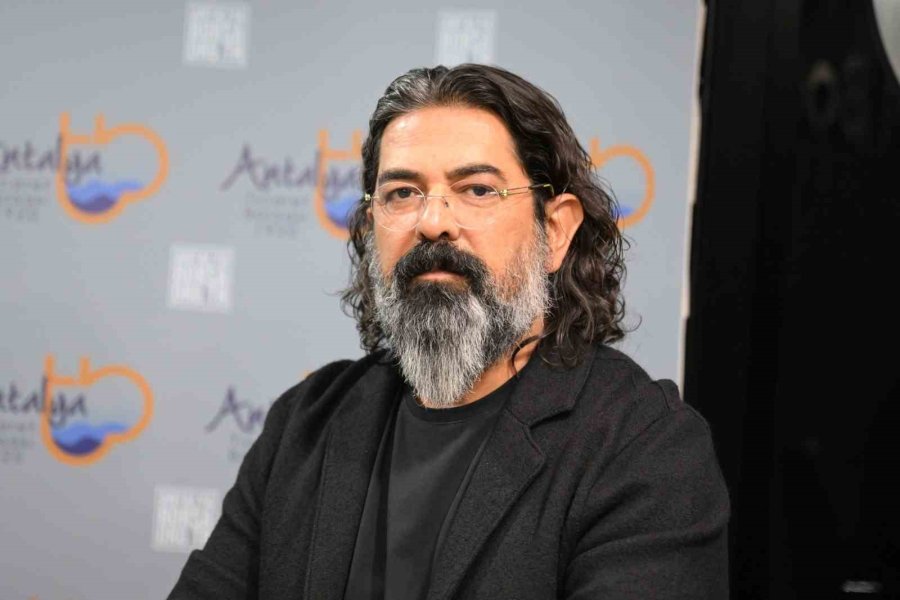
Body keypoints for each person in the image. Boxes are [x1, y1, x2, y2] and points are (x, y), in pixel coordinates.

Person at [167, 63, 730, 599]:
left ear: (555, 231)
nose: (432, 221)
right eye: (402, 193)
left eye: (477, 189)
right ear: (371, 227)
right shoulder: (304, 425)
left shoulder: (643, 446)